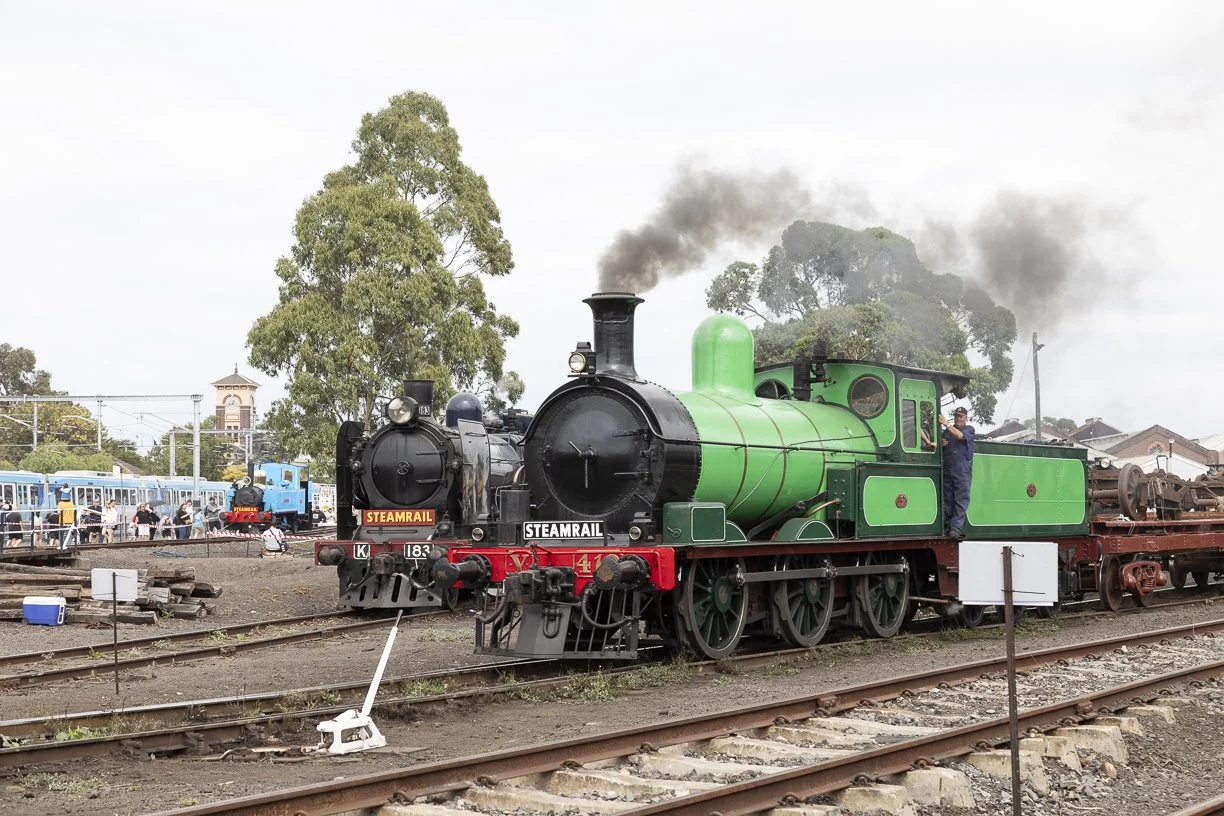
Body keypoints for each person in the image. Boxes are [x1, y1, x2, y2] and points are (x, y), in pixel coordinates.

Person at [940, 406, 975, 539]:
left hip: (962, 470)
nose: (958, 419)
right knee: (948, 499)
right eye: (956, 416)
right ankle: (948, 526)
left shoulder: (969, 429)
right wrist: (941, 444)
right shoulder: (947, 432)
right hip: (948, 469)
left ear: (966, 418)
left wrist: (946, 424)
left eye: (961, 416)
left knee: (961, 499)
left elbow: (960, 436)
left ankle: (956, 528)